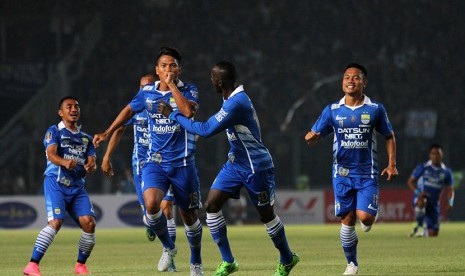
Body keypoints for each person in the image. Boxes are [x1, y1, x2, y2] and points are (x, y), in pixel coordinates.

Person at [158, 61, 300, 276]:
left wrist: (173, 114)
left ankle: (287, 258)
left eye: (213, 78)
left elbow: (205, 130)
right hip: (236, 163)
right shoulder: (229, 98)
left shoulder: (237, 103)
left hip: (256, 166)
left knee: (267, 216)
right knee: (212, 205)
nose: (211, 82)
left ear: (220, 81)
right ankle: (228, 261)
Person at [93, 47, 204, 276]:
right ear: (156, 69)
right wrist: (106, 132)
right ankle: (169, 247)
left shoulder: (189, 90)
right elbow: (126, 112)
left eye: (172, 65)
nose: (167, 69)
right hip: (155, 162)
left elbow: (188, 112)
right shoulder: (147, 93)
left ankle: (196, 263)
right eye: (163, 66)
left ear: (179, 69)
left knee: (190, 218)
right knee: (152, 207)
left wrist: (172, 86)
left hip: (183, 164)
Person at [304, 63, 398, 275]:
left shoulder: (375, 109)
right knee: (347, 218)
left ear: (364, 83)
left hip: (367, 172)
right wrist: (312, 139)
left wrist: (391, 164)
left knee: (364, 217)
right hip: (342, 173)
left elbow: (389, 136)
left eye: (355, 78)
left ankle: (368, 218)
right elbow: (312, 137)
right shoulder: (332, 110)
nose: (350, 81)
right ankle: (352, 264)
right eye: (347, 77)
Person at [100, 74, 178, 270]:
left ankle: (169, 256)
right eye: (141, 87)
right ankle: (152, 225)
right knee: (151, 214)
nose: (144, 90)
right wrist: (107, 156)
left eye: (148, 86)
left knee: (167, 208)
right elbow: (119, 130)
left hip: (162, 161)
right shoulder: (137, 107)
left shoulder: (162, 106)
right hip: (141, 165)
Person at [23, 96, 97, 276]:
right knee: (55, 222)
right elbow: (51, 154)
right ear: (60, 112)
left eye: (76, 106)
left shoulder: (86, 138)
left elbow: (92, 163)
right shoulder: (54, 131)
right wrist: (64, 162)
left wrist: (91, 166)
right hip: (56, 183)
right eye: (69, 106)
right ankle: (32, 265)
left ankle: (80, 265)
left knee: (89, 223)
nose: (74, 109)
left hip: (77, 187)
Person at [407, 144, 454, 237]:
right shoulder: (423, 167)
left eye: (438, 154)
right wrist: (418, 192)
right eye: (433, 154)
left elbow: (450, 189)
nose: (435, 156)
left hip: (434, 203)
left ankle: (422, 231)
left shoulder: (446, 172)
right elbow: (410, 182)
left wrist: (451, 202)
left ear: (442, 155)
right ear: (430, 155)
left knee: (433, 234)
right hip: (421, 197)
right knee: (422, 201)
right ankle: (419, 225)